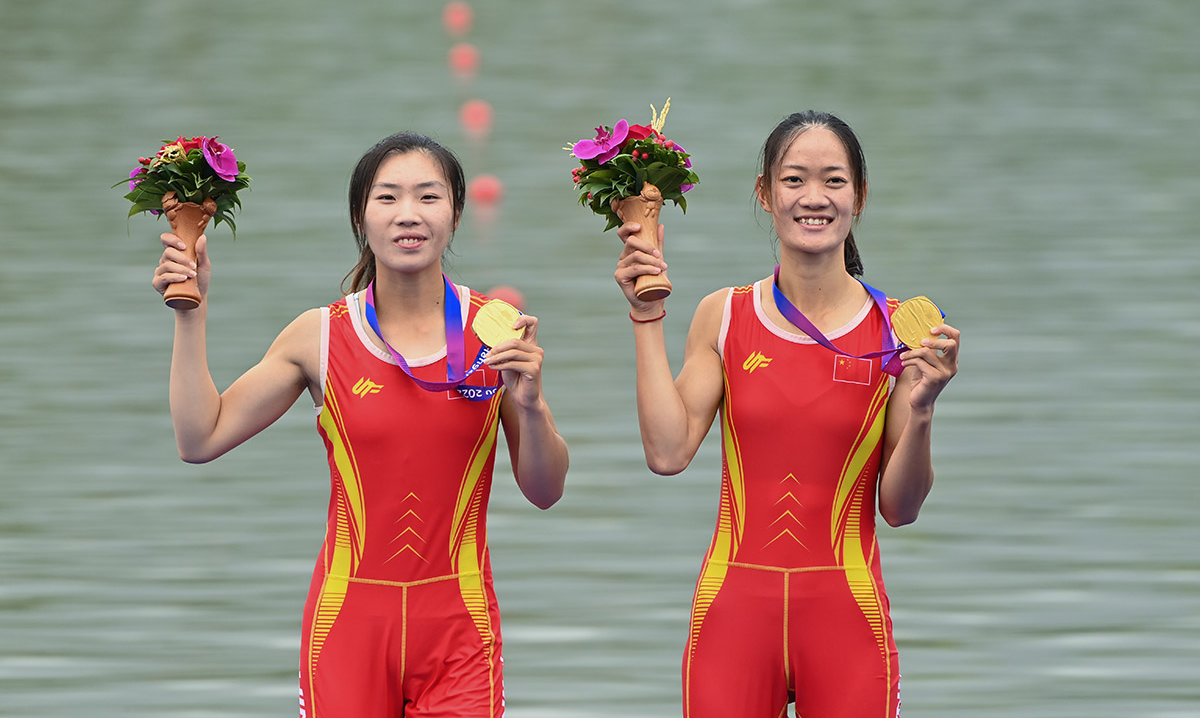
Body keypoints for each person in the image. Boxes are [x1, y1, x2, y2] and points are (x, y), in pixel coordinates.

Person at [153, 132, 568, 717]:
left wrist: (531, 404)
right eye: (387, 197)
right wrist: (189, 315)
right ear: (359, 218)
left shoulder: (497, 331)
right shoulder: (319, 336)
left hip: (460, 631)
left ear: (455, 215)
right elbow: (200, 438)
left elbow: (545, 491)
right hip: (347, 629)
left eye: (428, 197)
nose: (408, 214)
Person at [614, 110, 959, 717]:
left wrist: (924, 407)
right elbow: (667, 453)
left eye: (834, 180)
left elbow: (900, 509)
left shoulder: (900, 332)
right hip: (733, 616)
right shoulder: (725, 315)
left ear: (860, 196)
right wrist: (646, 317)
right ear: (765, 193)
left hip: (847, 619)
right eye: (794, 179)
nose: (813, 198)